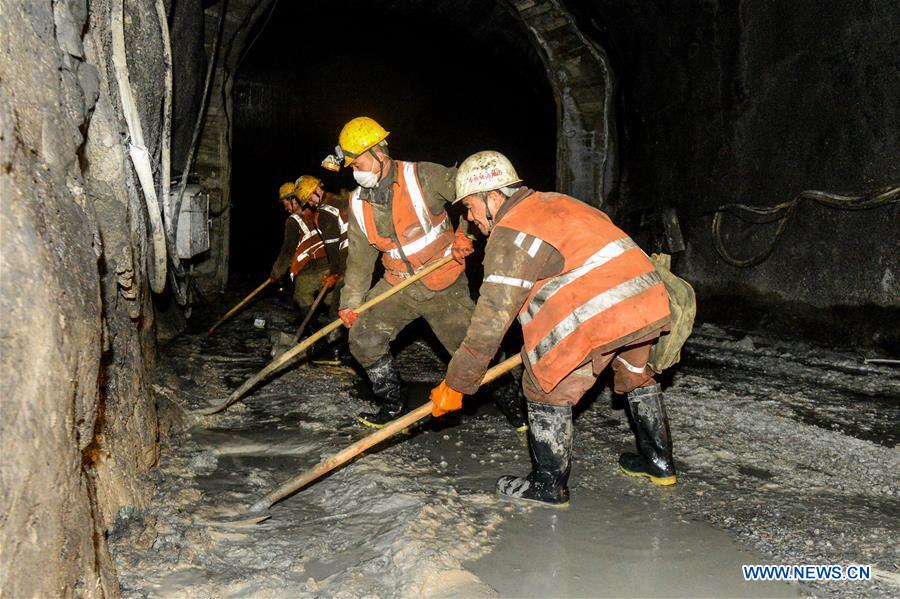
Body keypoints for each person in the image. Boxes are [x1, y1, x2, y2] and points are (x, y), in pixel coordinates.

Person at [429, 151, 676, 507]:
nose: (469, 218)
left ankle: (548, 484)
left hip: (605, 309)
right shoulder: (555, 201)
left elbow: (491, 320)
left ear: (492, 196)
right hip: (647, 298)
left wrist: (457, 382)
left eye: (469, 206)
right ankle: (659, 462)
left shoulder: (511, 232)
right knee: (636, 374)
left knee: (542, 383)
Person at [328, 116, 475, 427]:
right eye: (352, 167)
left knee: (474, 352)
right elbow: (359, 261)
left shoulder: (422, 176)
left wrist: (466, 233)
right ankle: (392, 403)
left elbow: (472, 192)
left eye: (358, 164)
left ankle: (516, 408)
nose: (355, 173)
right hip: (397, 285)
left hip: (443, 280)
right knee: (363, 337)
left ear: (379, 154)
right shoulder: (357, 203)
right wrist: (351, 302)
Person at [294, 175, 350, 360]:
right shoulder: (340, 199)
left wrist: (334, 273)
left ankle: (336, 351)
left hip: (349, 261)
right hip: (361, 255)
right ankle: (342, 348)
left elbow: (332, 247)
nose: (309, 204)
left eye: (309, 198)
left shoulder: (324, 213)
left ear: (317, 189)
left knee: (338, 308)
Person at [269, 181, 328, 313]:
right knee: (330, 299)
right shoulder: (318, 210)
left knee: (302, 296)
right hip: (331, 265)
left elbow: (288, 250)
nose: (286, 209)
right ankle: (331, 323)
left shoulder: (293, 221)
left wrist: (277, 271)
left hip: (311, 268)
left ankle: (311, 324)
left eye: (285, 204)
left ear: (294, 200)